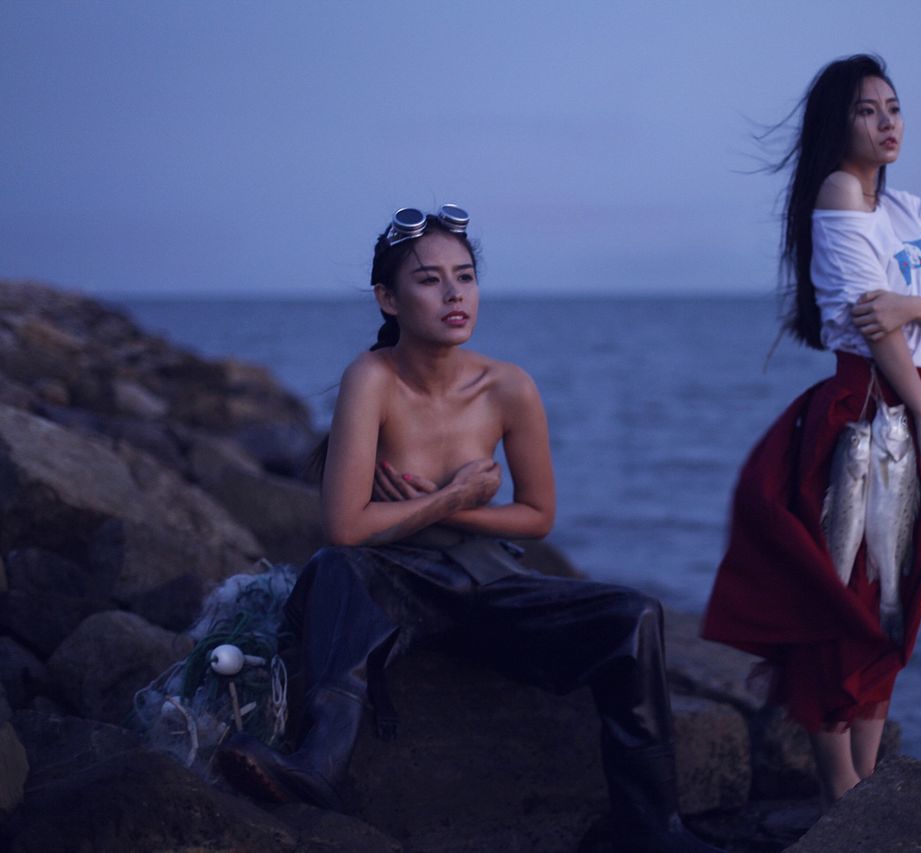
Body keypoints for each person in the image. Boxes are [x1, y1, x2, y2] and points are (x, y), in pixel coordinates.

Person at [216, 205, 720, 852]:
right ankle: (314, 765)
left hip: (485, 583)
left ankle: (653, 827)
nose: (454, 293)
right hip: (389, 581)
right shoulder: (370, 380)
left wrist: (453, 507)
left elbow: (537, 516)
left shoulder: (508, 386)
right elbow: (344, 527)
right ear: (387, 298)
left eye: (466, 276)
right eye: (429, 280)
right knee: (333, 570)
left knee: (635, 617)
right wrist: (452, 494)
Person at [701, 54, 921, 809]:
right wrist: (918, 411)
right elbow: (868, 323)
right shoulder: (840, 191)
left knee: (895, 593)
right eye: (866, 110)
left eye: (893, 107)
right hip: (873, 411)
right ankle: (840, 788)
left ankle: (869, 785)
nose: (887, 122)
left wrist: (912, 309)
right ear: (837, 125)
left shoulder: (912, 210)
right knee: (841, 593)